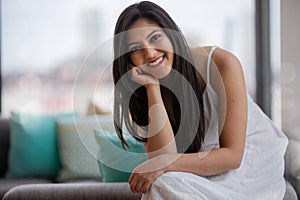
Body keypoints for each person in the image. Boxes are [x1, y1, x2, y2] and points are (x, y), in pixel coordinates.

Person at [112, 1, 288, 199]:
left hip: (249, 163)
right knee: (162, 183)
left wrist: (166, 163)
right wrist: (152, 89)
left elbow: (232, 156)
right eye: (136, 49)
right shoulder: (141, 91)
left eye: (155, 38)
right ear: (128, 61)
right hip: (198, 165)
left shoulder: (222, 64)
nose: (150, 53)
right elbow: (161, 159)